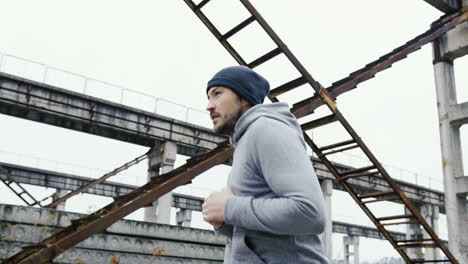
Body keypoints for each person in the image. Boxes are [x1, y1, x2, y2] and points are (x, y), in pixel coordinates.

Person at [202, 65, 330, 264]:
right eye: (208, 97)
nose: (209, 105)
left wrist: (229, 208)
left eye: (217, 94)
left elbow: (310, 212)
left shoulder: (267, 129)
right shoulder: (245, 143)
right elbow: (256, 233)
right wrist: (223, 219)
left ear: (244, 97)